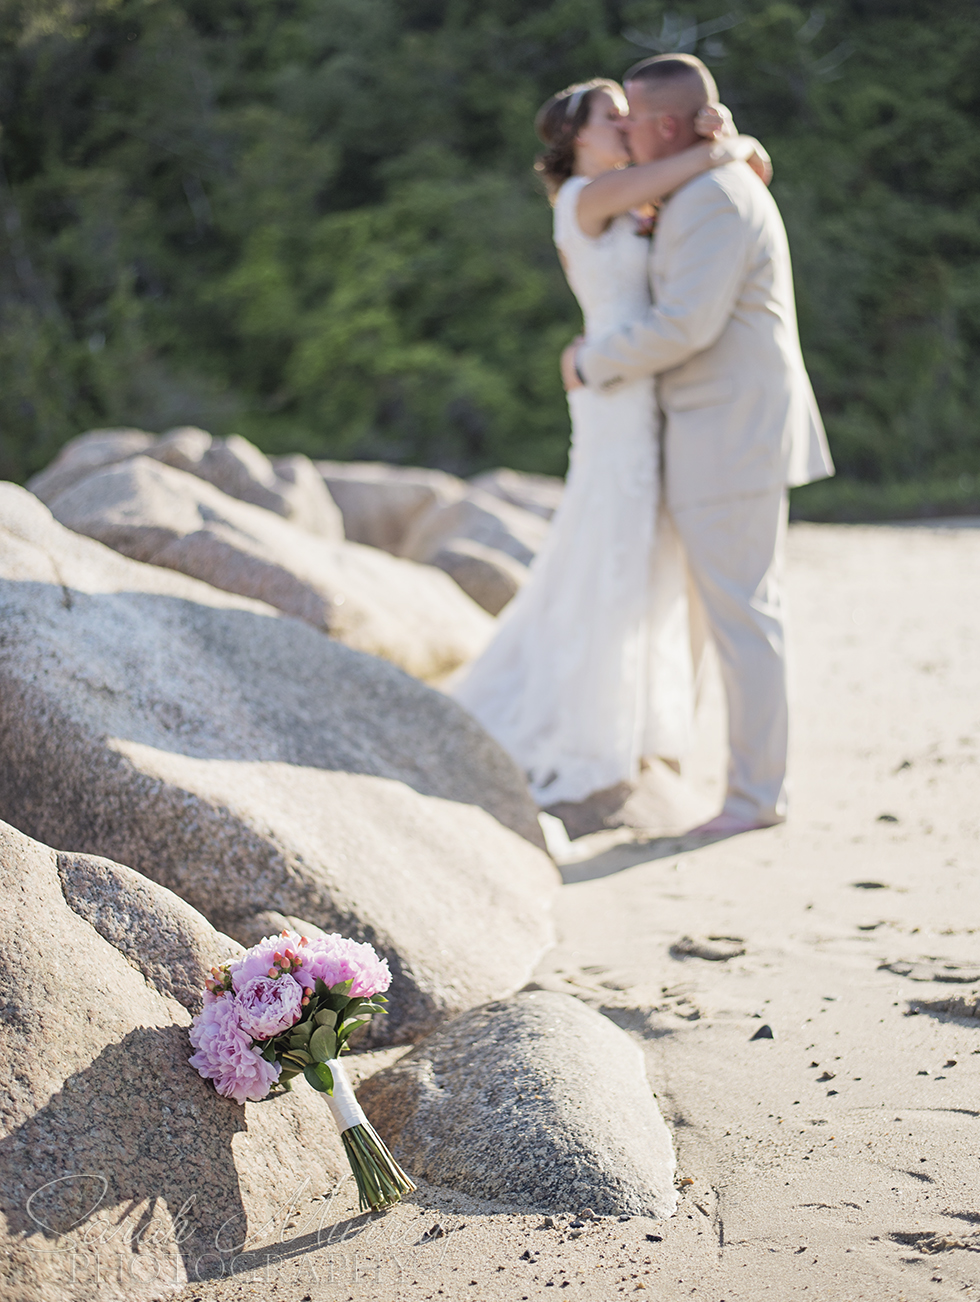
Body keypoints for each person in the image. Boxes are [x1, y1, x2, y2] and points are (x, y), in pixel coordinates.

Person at [453, 76, 763, 815]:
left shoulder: (632, 199)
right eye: (612, 117)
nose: (626, 126)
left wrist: (730, 144)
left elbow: (734, 184)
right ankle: (591, 725)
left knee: (649, 557)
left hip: (648, 389)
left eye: (630, 116)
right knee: (608, 551)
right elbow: (700, 166)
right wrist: (722, 139)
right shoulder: (583, 199)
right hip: (614, 396)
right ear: (576, 138)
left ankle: (645, 726)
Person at [562, 54, 834, 835]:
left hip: (730, 430)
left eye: (634, 120)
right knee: (706, 615)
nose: (624, 131)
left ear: (671, 126)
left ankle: (755, 797)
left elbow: (687, 323)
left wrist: (590, 362)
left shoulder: (713, 196)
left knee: (743, 617)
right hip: (709, 429)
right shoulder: (696, 182)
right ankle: (687, 772)